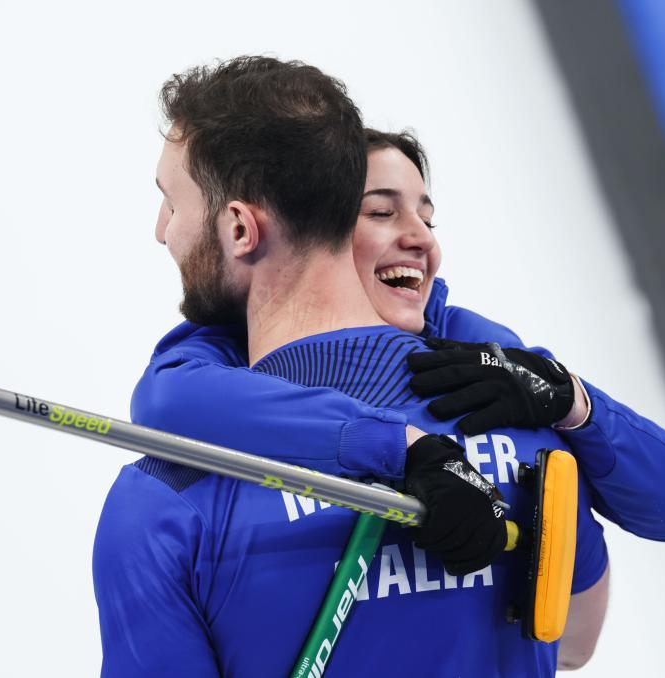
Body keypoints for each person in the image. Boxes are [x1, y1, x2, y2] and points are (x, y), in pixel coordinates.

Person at [92, 57, 625, 677]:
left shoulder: (161, 499)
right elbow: (575, 639)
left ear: (240, 228)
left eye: (171, 204)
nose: (163, 232)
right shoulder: (515, 421)